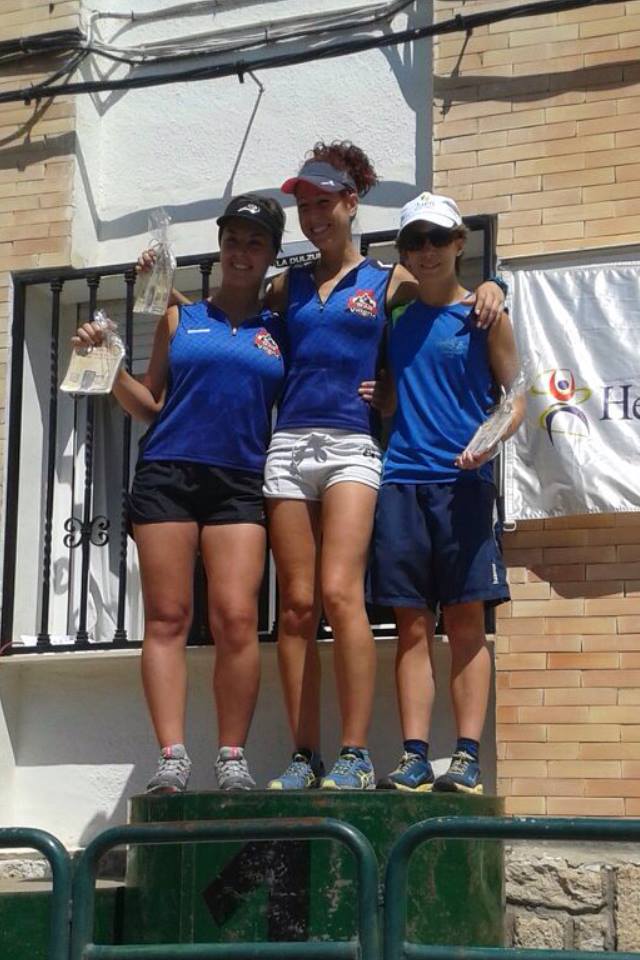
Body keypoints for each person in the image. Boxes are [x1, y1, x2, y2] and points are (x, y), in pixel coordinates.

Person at [261, 143, 507, 791]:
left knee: (347, 597)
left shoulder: (390, 279)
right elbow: (234, 321)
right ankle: (304, 756)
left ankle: (358, 754)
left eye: (323, 202)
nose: (312, 215)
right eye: (303, 205)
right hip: (295, 449)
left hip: (363, 452)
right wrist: (165, 295)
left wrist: (494, 282)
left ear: (350, 203)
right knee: (296, 605)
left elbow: (448, 293)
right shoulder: (286, 285)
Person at [73, 194, 287, 793]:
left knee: (237, 618)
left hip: (240, 480)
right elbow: (152, 404)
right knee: (167, 617)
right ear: (219, 247)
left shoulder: (280, 325)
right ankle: (171, 756)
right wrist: (109, 368)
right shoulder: (179, 320)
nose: (241, 252)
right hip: (168, 472)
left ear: (270, 254)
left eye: (255, 242)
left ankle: (232, 756)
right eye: (233, 240)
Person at [367, 191, 524, 794]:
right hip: (401, 479)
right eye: (414, 242)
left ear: (459, 241)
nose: (426, 251)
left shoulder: (486, 315)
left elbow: (515, 398)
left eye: (437, 239)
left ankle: (464, 757)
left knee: (464, 623)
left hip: (462, 483)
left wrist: (490, 443)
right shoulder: (398, 316)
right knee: (411, 627)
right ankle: (413, 754)